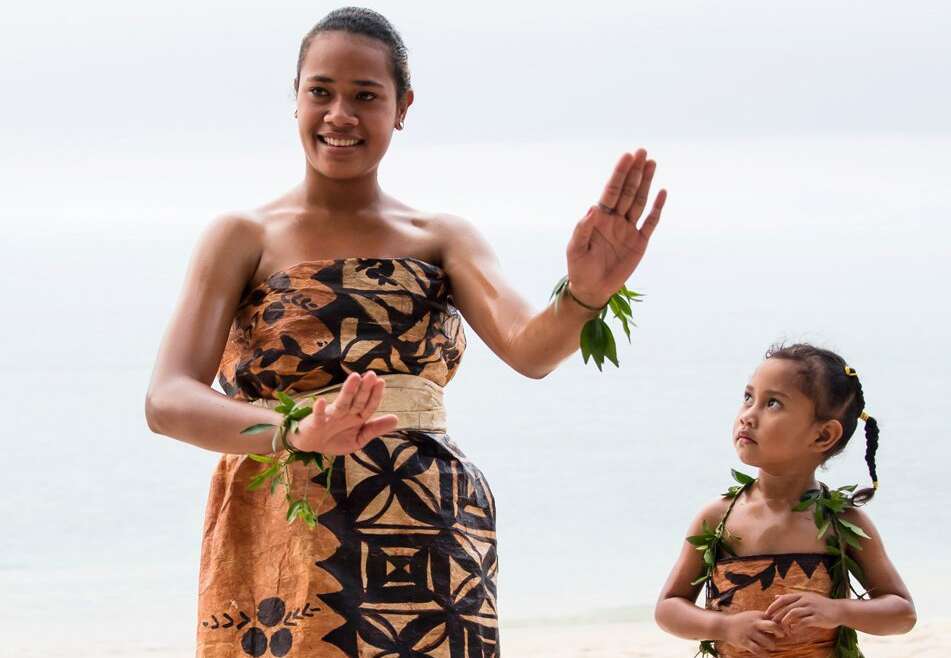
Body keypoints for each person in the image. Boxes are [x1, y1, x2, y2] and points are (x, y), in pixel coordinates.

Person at [144, 6, 666, 657]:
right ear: (296, 96)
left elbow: (532, 350)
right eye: (321, 92)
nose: (340, 114)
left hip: (428, 526)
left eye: (365, 95)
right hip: (285, 519)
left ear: (402, 106)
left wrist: (586, 292)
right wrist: (290, 431)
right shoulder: (242, 236)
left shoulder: (441, 238)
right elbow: (167, 401)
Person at [655, 343, 916, 657]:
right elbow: (668, 608)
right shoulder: (719, 517)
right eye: (748, 397)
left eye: (773, 403)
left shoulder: (842, 523)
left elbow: (902, 613)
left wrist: (837, 611)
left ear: (822, 436)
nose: (748, 416)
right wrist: (723, 627)